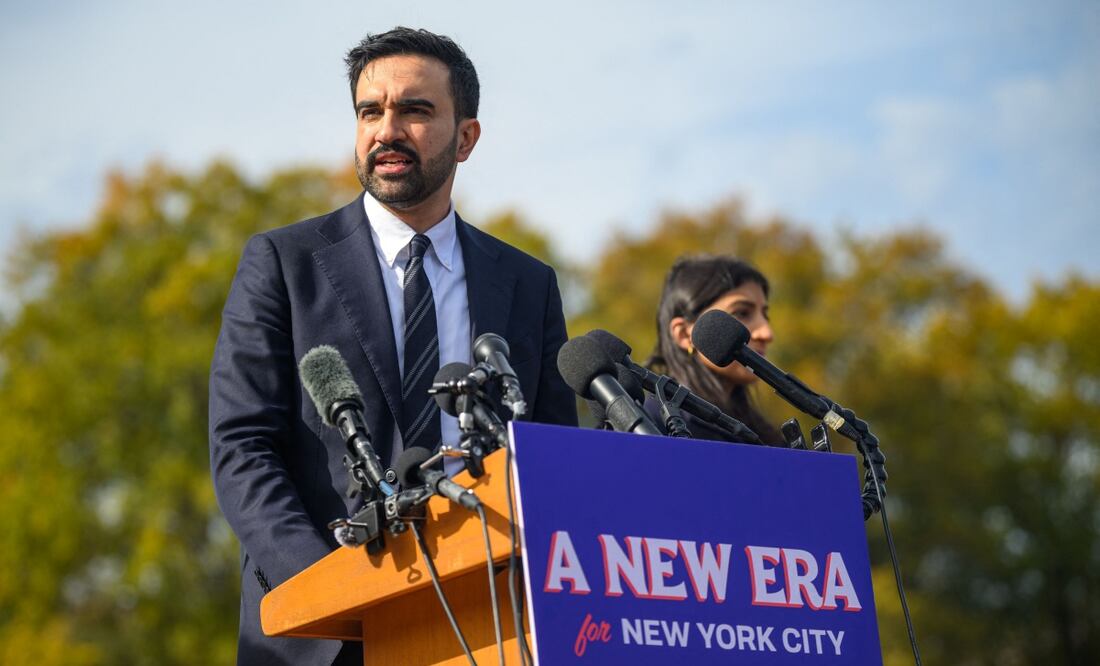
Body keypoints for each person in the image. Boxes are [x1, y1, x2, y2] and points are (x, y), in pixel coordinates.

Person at [208, 27, 577, 665]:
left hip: (487, 624)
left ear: (467, 137)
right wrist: (335, 589)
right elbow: (242, 447)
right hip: (324, 631)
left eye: (414, 109)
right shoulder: (282, 263)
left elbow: (551, 460)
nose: (387, 130)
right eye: (370, 111)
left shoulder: (528, 284)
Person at [646, 255, 784, 445]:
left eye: (765, 315)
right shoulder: (647, 427)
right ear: (685, 335)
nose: (767, 333)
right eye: (742, 313)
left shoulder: (765, 436)